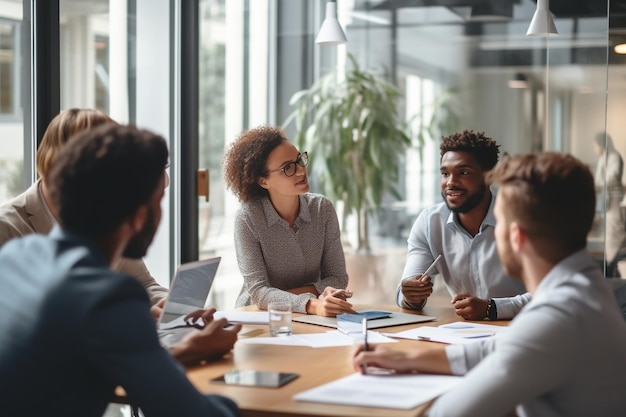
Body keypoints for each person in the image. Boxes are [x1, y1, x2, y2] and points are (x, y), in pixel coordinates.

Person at [354, 152, 626, 417]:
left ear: (516, 236)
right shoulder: (585, 287)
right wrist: (407, 359)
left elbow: (447, 413)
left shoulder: (559, 317)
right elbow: (498, 349)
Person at [0, 124, 240, 417]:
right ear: (140, 217)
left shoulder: (16, 256)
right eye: (159, 202)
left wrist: (189, 350)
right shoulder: (108, 298)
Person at [0, 109, 168, 315]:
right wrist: (134, 318)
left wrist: (173, 308)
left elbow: (143, 283)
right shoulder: (7, 229)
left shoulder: (109, 216)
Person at [223, 125, 355, 316]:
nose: (301, 170)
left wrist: (285, 298)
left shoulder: (322, 209)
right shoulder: (248, 218)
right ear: (263, 181)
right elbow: (258, 292)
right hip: (258, 316)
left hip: (312, 315)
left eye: (299, 160)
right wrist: (310, 303)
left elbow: (337, 278)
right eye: (288, 168)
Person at [396, 130, 528, 320]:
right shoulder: (429, 222)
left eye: (463, 172)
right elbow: (406, 293)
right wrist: (411, 294)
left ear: (489, 176)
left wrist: (493, 308)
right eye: (445, 173)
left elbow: (552, 292)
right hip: (466, 333)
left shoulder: (522, 220)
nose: (451, 182)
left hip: (523, 329)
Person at [593, 131, 626, 277]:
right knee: (608, 242)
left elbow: (611, 179)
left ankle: (613, 271)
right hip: (605, 204)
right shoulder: (603, 159)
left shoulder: (614, 157)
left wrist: (599, 185)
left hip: (614, 204)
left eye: (595, 144)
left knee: (614, 241)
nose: (595, 148)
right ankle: (611, 271)